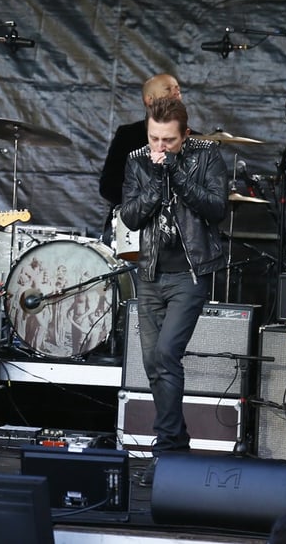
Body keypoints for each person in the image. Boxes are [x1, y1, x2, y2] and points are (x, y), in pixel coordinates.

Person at [119, 97, 227, 486]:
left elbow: (217, 209)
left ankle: (164, 452)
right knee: (153, 364)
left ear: (185, 135)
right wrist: (155, 178)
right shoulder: (137, 159)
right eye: (153, 139)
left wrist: (176, 175)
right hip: (149, 272)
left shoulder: (208, 155)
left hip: (190, 274)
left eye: (168, 140)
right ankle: (177, 443)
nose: (159, 147)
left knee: (167, 354)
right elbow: (130, 214)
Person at [99, 73, 183, 207]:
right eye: (168, 89)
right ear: (149, 99)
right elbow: (108, 187)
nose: (176, 92)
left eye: (177, 89)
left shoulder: (193, 138)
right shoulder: (128, 135)